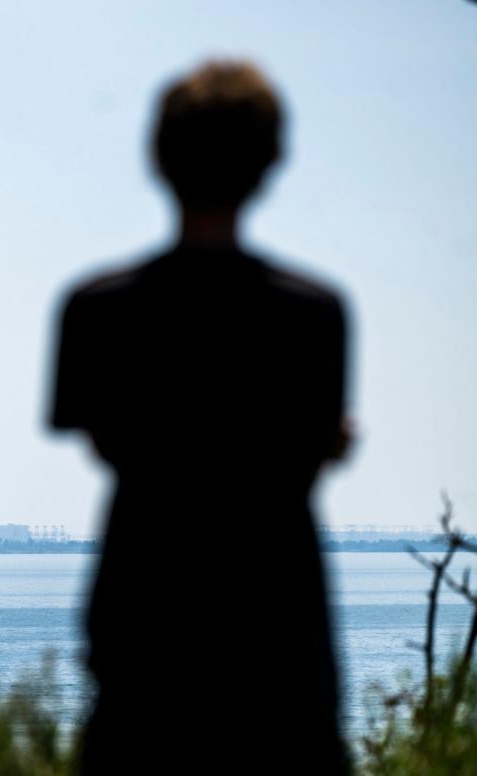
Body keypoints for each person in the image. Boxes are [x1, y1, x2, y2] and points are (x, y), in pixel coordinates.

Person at [48, 60, 352, 773]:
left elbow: (106, 443)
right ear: (269, 163)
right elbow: (305, 454)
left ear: (158, 158)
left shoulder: (96, 308)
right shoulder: (314, 312)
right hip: (279, 627)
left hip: (144, 619)